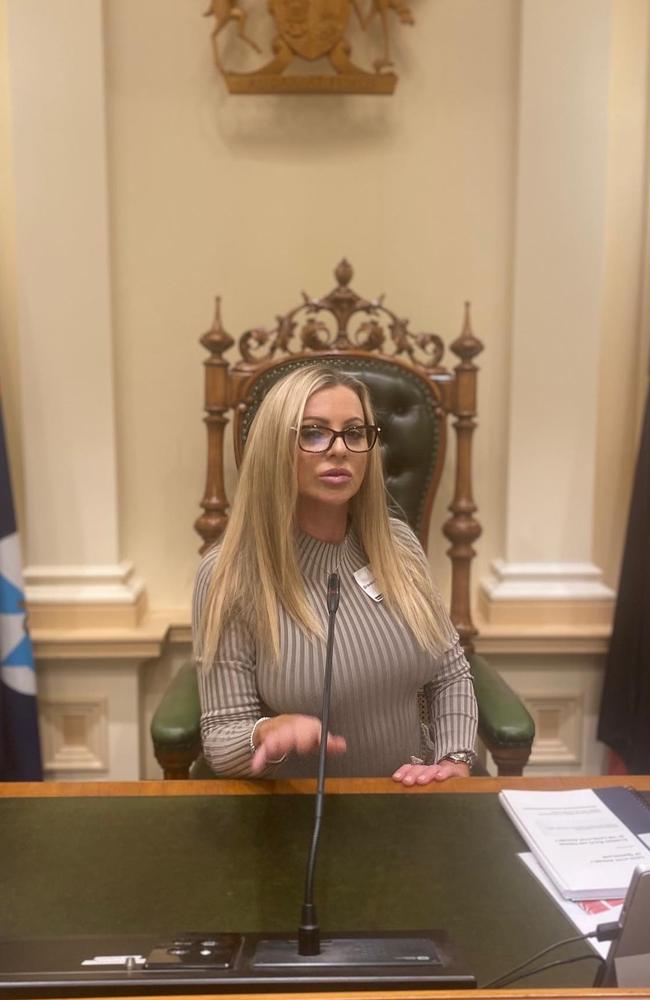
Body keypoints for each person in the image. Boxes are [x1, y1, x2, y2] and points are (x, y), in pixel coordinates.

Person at [193, 364, 478, 784]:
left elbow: (450, 672)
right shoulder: (230, 574)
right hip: (295, 816)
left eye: (355, 432)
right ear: (275, 447)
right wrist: (265, 734)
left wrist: (454, 760)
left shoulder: (398, 545)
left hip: (408, 801)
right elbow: (221, 737)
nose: (339, 449)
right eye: (313, 432)